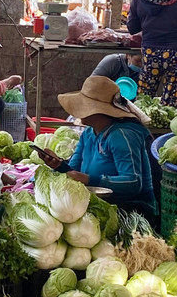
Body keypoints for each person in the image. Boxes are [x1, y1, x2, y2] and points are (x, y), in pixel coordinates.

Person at [35, 76, 158, 222]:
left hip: (133, 213)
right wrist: (58, 165)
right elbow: (73, 170)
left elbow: (133, 183)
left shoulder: (122, 136)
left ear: (101, 111)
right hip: (101, 205)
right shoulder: (88, 134)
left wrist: (88, 179)